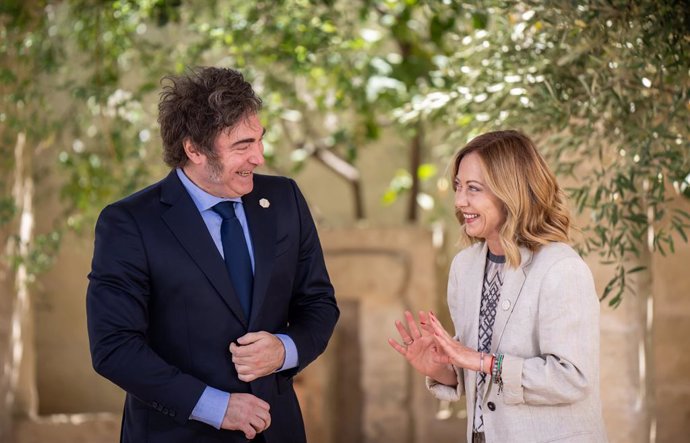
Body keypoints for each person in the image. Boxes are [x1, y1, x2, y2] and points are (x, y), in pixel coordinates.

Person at [86, 66, 339, 443]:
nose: (259, 157)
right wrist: (215, 406)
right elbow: (114, 347)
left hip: (278, 431)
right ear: (194, 149)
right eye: (242, 145)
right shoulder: (129, 223)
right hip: (176, 434)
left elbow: (318, 303)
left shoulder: (285, 200)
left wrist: (284, 350)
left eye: (259, 140)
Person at [389, 130, 607, 443]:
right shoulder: (464, 267)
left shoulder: (561, 269)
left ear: (511, 192)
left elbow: (572, 379)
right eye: (458, 187)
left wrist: (481, 360)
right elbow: (480, 376)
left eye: (474, 189)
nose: (460, 200)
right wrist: (442, 368)